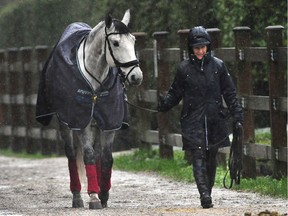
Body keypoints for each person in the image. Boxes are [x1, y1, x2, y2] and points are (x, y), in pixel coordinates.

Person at [157, 26, 243, 208]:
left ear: (208, 47)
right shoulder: (184, 69)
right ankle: (204, 194)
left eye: (203, 47)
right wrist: (165, 104)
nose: (200, 51)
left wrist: (237, 115)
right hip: (192, 118)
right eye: (197, 48)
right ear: (191, 49)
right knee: (197, 154)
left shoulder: (218, 66)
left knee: (211, 156)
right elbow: (175, 92)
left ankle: (208, 190)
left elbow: (230, 93)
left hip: (214, 117)